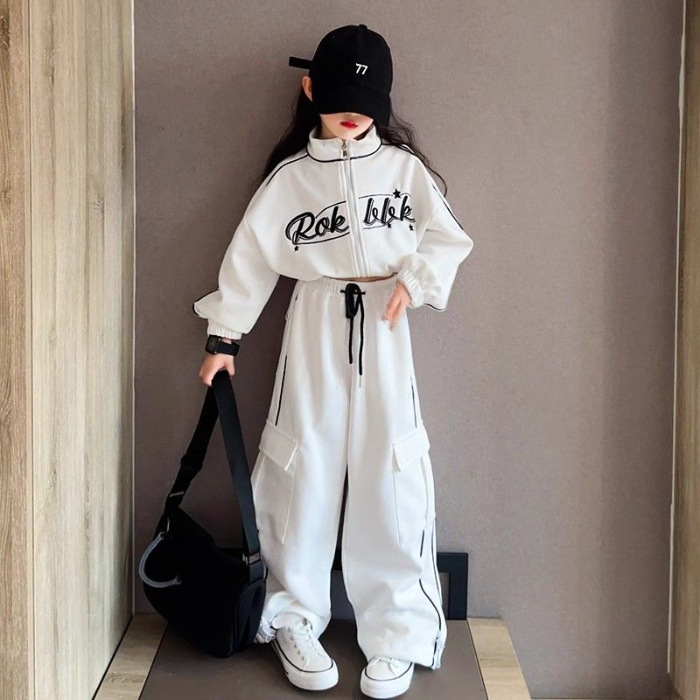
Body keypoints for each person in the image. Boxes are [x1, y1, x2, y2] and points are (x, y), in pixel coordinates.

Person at [193, 23, 474, 699]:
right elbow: (251, 257)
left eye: (367, 101)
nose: (354, 112)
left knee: (393, 467)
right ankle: (291, 616)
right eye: (341, 96)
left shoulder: (403, 171)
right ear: (311, 89)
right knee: (300, 461)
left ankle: (399, 630)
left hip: (386, 322)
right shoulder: (290, 180)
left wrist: (417, 280)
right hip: (314, 319)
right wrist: (225, 338)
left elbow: (448, 237)